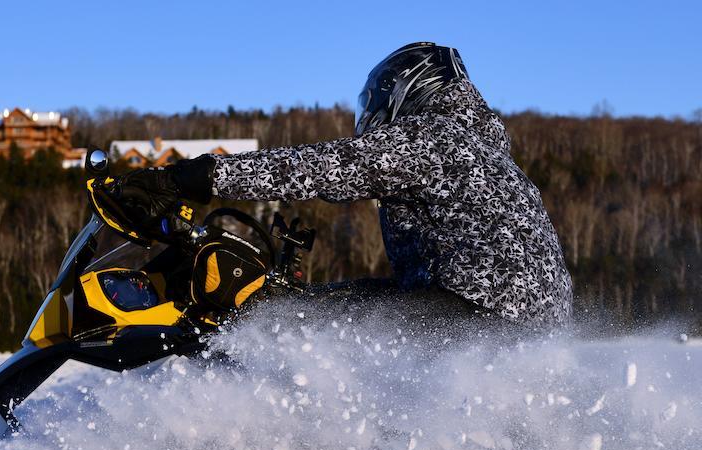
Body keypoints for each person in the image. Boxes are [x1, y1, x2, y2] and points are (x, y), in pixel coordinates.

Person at [112, 42, 573, 327]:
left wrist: (200, 176)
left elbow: (325, 168)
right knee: (314, 305)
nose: (371, 118)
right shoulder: (484, 150)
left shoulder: (437, 137)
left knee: (290, 323)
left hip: (473, 318)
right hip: (504, 323)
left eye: (376, 100)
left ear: (408, 88)